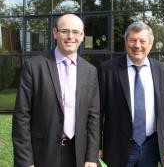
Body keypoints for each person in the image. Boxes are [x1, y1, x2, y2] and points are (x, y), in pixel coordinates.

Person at [12, 14, 100, 167]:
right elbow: (22, 116)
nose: (70, 36)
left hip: (78, 154)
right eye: (65, 31)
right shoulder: (34, 67)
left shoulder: (90, 71)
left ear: (82, 36)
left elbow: (93, 117)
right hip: (42, 154)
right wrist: (25, 161)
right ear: (55, 33)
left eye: (75, 32)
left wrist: (91, 157)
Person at [99, 21, 164, 167]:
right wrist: (96, 146)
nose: (137, 45)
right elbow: (97, 112)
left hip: (151, 147)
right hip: (117, 147)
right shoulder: (108, 70)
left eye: (142, 41)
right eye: (132, 40)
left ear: (150, 44)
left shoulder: (163, 71)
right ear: (125, 43)